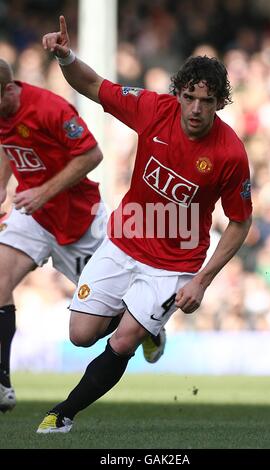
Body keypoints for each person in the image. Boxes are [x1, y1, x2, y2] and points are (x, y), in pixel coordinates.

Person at [36, 16, 252, 434]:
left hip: (175, 262)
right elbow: (94, 85)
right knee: (81, 335)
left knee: (123, 341)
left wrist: (203, 280)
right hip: (125, 240)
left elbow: (240, 223)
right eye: (189, 97)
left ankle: (62, 414)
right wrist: (66, 58)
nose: (195, 108)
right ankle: (149, 325)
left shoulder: (230, 153)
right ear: (178, 94)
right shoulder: (154, 109)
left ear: (220, 103)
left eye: (206, 102)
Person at [0, 59, 165, 413]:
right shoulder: (3, 112)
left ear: (9, 90)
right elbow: (6, 142)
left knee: (89, 331)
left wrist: (44, 191)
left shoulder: (49, 108)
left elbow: (92, 154)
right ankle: (2, 382)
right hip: (33, 216)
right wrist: (2, 185)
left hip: (80, 223)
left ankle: (145, 325)